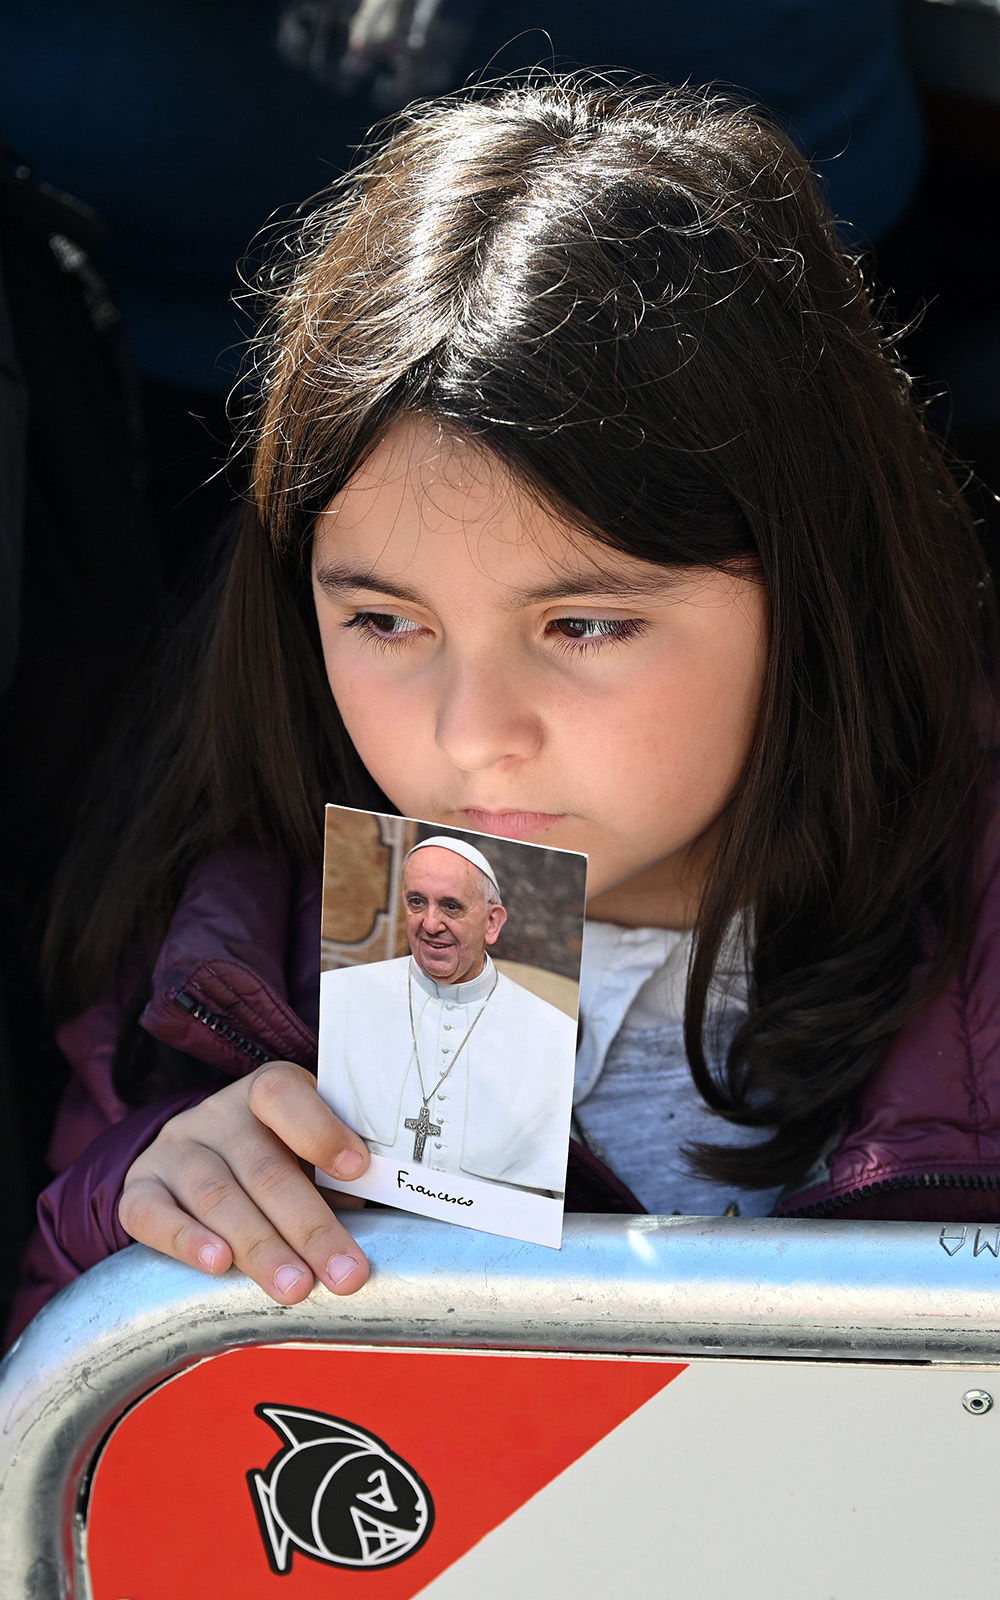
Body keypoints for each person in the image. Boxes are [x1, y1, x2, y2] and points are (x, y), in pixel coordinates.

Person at [7, 76, 998, 1346]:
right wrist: (143, 1230)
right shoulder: (225, 962)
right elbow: (73, 1495)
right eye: (384, 622)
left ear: (817, 581)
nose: (474, 732)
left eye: (582, 625)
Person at [319, 837, 575, 1193]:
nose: (430, 923)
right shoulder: (339, 995)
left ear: (492, 924)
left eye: (451, 907)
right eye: (417, 902)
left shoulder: (555, 1036)